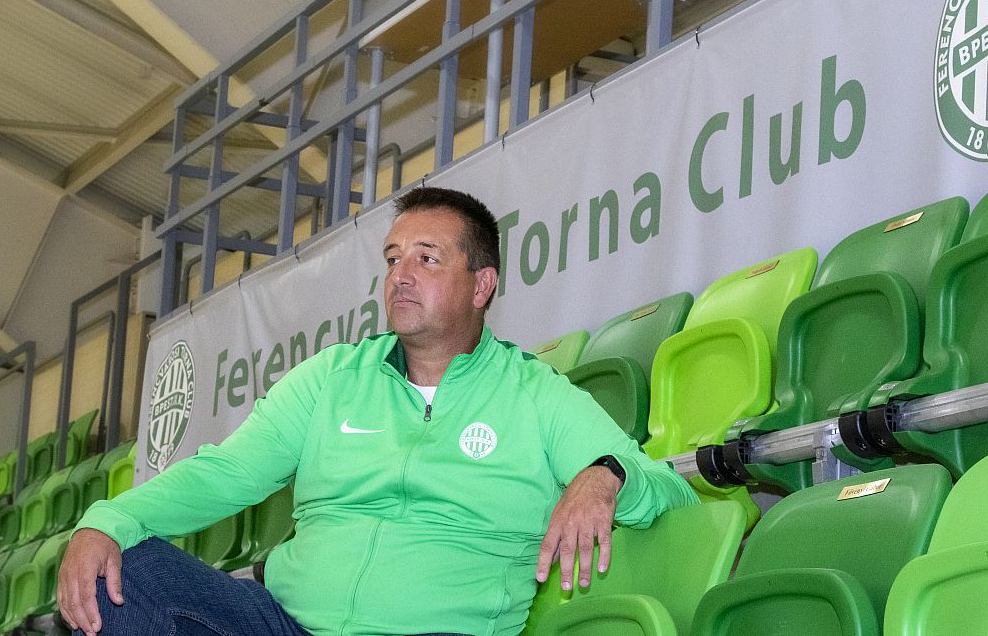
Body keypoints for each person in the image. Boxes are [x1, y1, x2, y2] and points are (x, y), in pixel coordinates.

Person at [58, 187, 698, 636]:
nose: (401, 275)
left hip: (436, 631)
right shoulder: (332, 378)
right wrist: (106, 521)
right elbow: (227, 473)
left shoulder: (536, 394)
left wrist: (606, 474)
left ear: (482, 285)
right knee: (127, 567)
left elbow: (672, 490)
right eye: (393, 259)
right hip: (288, 625)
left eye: (427, 258)